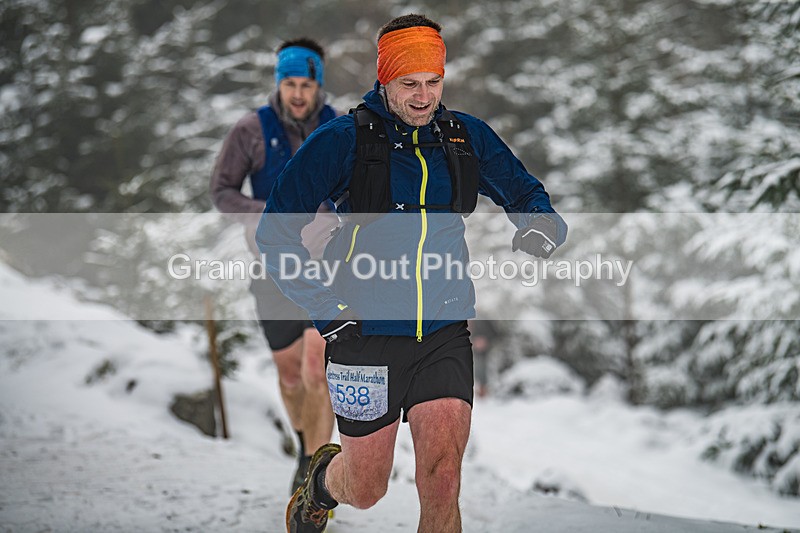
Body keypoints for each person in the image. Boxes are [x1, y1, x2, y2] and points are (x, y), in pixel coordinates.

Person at [256, 14, 567, 533]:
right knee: (367, 486)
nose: (424, 97)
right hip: (362, 332)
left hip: (444, 329)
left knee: (443, 477)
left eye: (433, 82)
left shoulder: (464, 136)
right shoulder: (343, 140)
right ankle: (321, 486)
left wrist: (541, 226)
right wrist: (324, 307)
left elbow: (527, 194)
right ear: (384, 79)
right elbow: (275, 233)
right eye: (409, 84)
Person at [210, 38, 340, 494]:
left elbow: (363, 189)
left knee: (315, 368)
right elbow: (222, 191)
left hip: (328, 268)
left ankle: (317, 472)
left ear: (319, 85)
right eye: (290, 84)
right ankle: (306, 447)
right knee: (289, 377)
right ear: (278, 83)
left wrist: (333, 214)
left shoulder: (340, 128)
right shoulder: (250, 130)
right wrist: (264, 214)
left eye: (307, 84)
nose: (299, 93)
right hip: (270, 268)